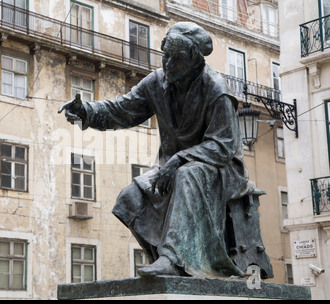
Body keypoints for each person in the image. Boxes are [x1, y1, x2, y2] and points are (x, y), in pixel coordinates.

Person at [58, 22, 253, 278]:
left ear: (195, 60)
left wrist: (181, 159)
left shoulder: (216, 90)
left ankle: (173, 259)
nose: (168, 63)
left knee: (187, 175)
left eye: (177, 58)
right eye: (166, 55)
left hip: (218, 169)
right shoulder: (156, 82)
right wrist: (87, 111)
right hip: (174, 167)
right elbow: (122, 110)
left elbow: (224, 145)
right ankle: (163, 258)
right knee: (130, 197)